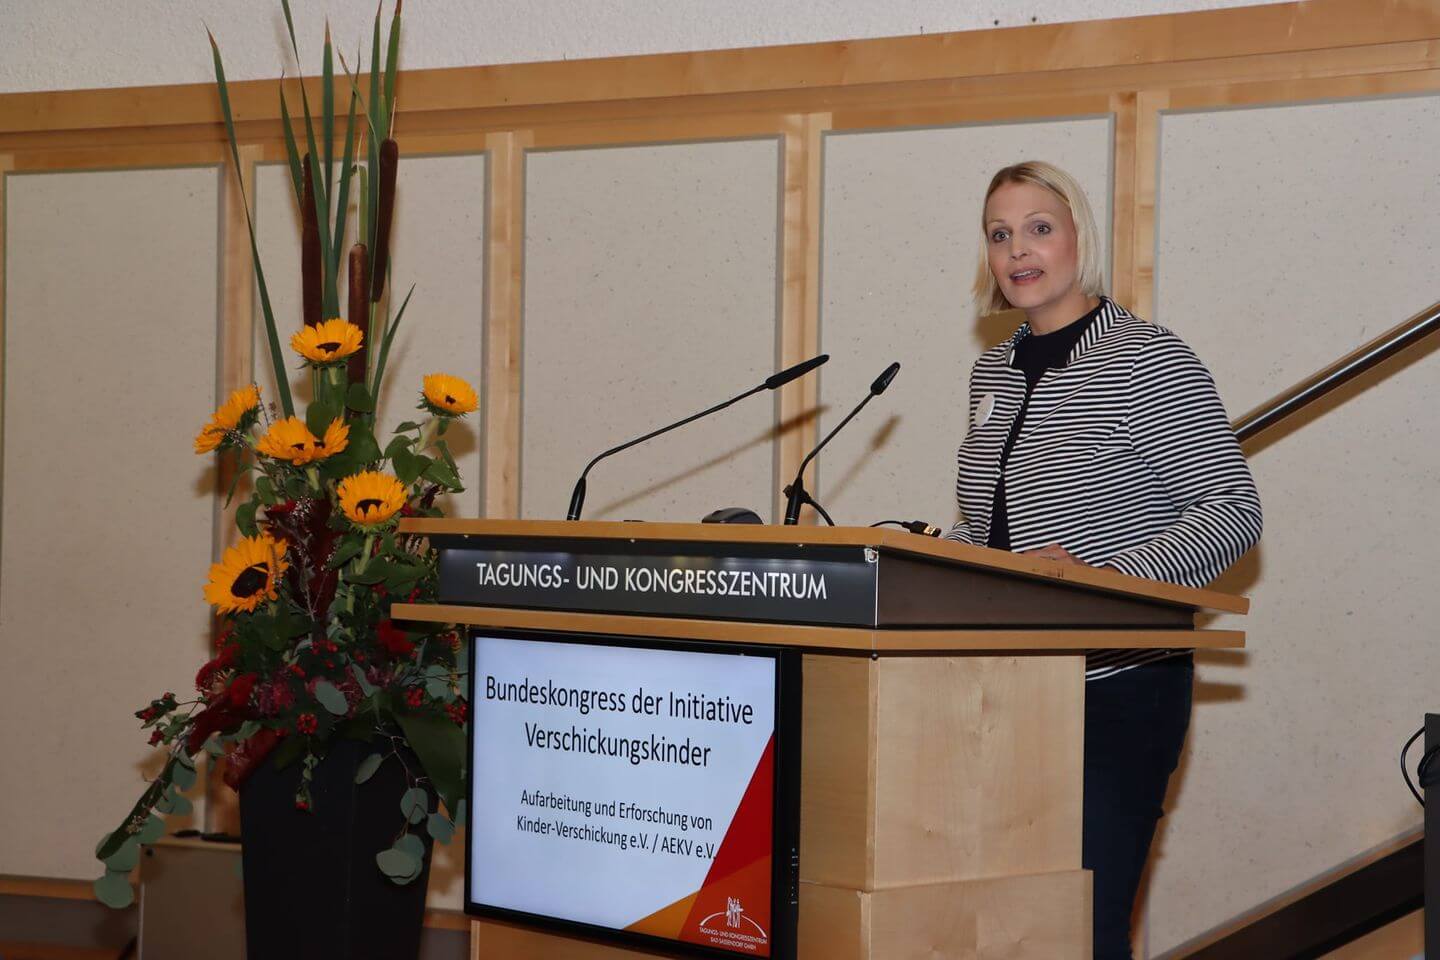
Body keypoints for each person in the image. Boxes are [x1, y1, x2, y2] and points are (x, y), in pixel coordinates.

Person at [943, 160, 1262, 959]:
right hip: (1003, 688)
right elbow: (992, 529)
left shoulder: (1146, 359)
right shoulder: (992, 370)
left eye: (1039, 228)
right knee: (1003, 929)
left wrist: (1101, 580)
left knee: (1081, 930)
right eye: (999, 234)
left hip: (1118, 690)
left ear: (1079, 238)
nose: (1018, 250)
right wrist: (931, 557)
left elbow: (1231, 510)